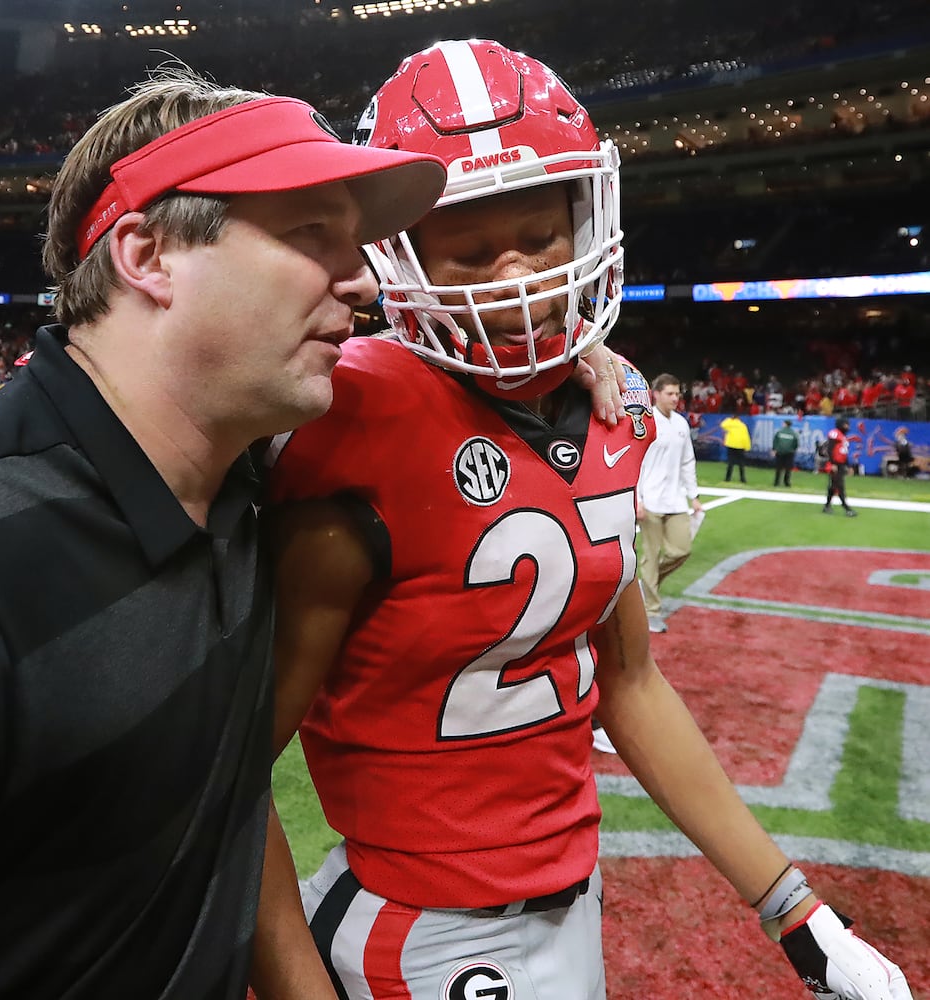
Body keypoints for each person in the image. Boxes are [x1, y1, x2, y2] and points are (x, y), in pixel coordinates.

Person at [0, 66, 447, 999]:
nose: (362, 275)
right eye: (310, 232)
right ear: (149, 256)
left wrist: (589, 371)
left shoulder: (244, 481)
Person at [253, 40, 911, 1000]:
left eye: (539, 235)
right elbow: (226, 771)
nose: (516, 275)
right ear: (402, 259)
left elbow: (629, 681)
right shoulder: (350, 418)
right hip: (423, 931)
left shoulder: (615, 404)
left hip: (565, 900)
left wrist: (796, 912)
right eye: (473, 252)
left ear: (585, 215)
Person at [637, 374, 705, 633]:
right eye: (670, 394)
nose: (676, 398)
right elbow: (637, 463)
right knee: (651, 556)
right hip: (650, 500)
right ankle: (652, 611)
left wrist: (694, 496)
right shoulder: (645, 421)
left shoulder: (681, 424)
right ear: (656, 394)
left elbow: (688, 461)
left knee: (681, 550)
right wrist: (637, 498)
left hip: (676, 500)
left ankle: (648, 584)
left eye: (678, 394)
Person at [823, 414, 858, 516]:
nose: (848, 426)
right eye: (846, 424)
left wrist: (849, 466)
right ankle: (847, 508)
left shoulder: (842, 436)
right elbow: (830, 450)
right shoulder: (835, 434)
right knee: (840, 486)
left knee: (833, 486)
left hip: (841, 464)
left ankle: (827, 506)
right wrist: (833, 463)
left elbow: (843, 453)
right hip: (835, 464)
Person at [720, 411, 750, 482]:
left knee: (730, 463)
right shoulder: (743, 425)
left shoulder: (730, 424)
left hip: (731, 445)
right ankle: (742, 479)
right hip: (740, 446)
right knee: (741, 464)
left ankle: (727, 478)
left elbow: (722, 425)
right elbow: (746, 437)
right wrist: (747, 447)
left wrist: (729, 419)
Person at [772, 417, 800, 487]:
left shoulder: (780, 432)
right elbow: (796, 443)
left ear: (785, 424)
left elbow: (775, 441)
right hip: (789, 453)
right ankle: (786, 482)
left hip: (780, 452)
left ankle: (776, 482)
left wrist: (774, 449)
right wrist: (793, 450)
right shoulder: (793, 433)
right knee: (788, 469)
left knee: (778, 468)